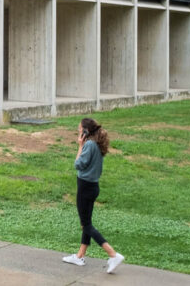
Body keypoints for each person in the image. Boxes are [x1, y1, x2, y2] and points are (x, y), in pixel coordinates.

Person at [62, 117, 124, 274]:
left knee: (86, 225)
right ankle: (80, 256)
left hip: (85, 187)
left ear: (85, 132)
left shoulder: (89, 145)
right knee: (86, 222)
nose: (77, 131)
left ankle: (112, 254)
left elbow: (78, 164)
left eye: (79, 129)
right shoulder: (97, 144)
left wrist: (80, 146)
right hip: (93, 186)